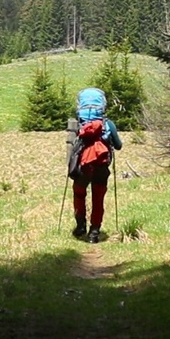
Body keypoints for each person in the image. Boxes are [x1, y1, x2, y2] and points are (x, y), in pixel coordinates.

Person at [68, 87, 122, 244]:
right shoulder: (107, 124)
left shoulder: (78, 124)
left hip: (83, 166)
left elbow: (72, 146)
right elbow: (118, 146)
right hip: (101, 166)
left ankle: (80, 226)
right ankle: (94, 233)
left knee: (79, 193)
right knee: (98, 198)